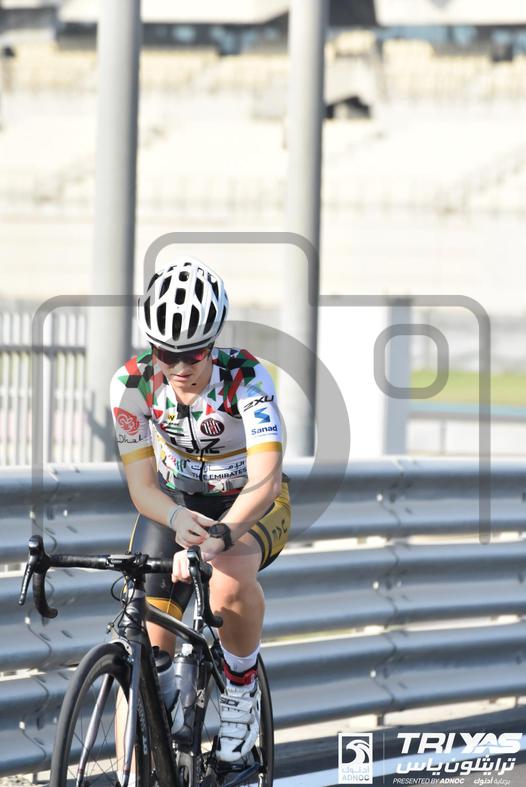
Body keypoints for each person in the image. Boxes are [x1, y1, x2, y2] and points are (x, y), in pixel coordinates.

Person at [110, 256, 291, 764]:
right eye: (166, 354)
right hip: (176, 504)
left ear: (213, 344)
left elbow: (266, 479)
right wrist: (174, 518)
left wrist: (221, 536)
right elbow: (142, 487)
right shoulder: (132, 385)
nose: (180, 368)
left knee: (228, 577)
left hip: (250, 502)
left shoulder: (245, 377)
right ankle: (151, 727)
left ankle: (240, 686)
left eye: (194, 353)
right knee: (147, 645)